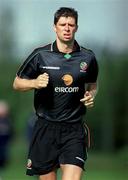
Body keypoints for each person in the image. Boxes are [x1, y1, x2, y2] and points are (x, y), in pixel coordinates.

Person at [13, 7, 98, 180]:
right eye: (62, 24)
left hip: (74, 129)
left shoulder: (87, 57)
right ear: (55, 27)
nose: (67, 28)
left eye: (71, 25)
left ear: (76, 27)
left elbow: (93, 84)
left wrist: (91, 96)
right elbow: (17, 83)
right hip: (45, 128)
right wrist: (34, 82)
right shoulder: (40, 55)